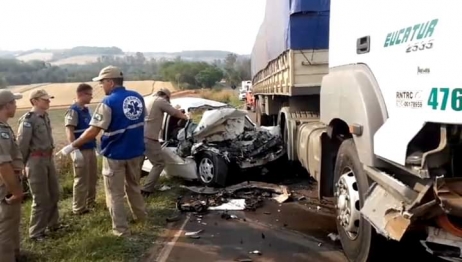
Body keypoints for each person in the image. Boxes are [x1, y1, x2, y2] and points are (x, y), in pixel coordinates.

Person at [56, 65, 147, 237]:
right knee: (134, 187)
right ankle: (141, 217)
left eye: (102, 83)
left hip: (115, 154)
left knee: (115, 193)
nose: (101, 86)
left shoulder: (108, 102)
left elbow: (93, 131)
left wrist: (72, 146)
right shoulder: (137, 97)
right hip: (136, 152)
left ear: (110, 82)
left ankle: (121, 229)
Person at [17, 89, 60, 242]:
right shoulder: (28, 120)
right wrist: (21, 166)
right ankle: (36, 233)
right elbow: (22, 145)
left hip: (47, 159)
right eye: (45, 100)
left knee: (54, 193)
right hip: (35, 161)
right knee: (41, 198)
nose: (48, 102)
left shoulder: (44, 117)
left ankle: (53, 224)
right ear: (35, 101)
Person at [141, 88, 188, 196]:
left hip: (139, 136)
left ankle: (132, 188)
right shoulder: (160, 100)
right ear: (166, 96)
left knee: (138, 163)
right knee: (159, 163)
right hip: (149, 137)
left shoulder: (148, 100)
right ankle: (147, 189)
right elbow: (174, 113)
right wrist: (185, 117)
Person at [64, 83, 98, 215]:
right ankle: (78, 208)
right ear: (81, 95)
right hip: (80, 149)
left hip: (90, 148)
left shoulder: (86, 110)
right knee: (81, 179)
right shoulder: (73, 111)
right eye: (89, 94)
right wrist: (74, 149)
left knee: (92, 178)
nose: (91, 97)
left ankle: (90, 202)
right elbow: (69, 131)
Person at [0, 90, 25, 262]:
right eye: (14, 102)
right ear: (7, 105)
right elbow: (3, 165)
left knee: (12, 223)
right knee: (5, 228)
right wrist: (15, 191)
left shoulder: (5, 127)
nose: (16, 105)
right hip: (5, 185)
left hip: (9, 182)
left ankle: (15, 255)